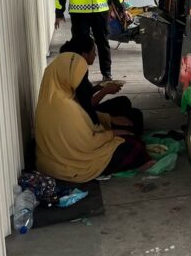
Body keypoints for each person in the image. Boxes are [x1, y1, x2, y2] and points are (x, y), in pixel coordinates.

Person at [34, 51, 152, 183]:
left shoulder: (51, 96)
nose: (82, 82)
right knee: (135, 146)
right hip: (72, 167)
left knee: (129, 131)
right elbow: (88, 143)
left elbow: (83, 114)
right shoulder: (65, 107)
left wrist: (109, 119)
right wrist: (113, 133)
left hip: (55, 161)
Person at [59, 35, 143, 136]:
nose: (95, 55)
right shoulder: (77, 73)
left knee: (124, 101)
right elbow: (86, 107)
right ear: (85, 55)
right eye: (93, 51)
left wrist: (99, 87)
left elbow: (84, 95)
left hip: (86, 112)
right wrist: (105, 91)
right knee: (136, 116)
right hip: (85, 117)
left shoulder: (75, 67)